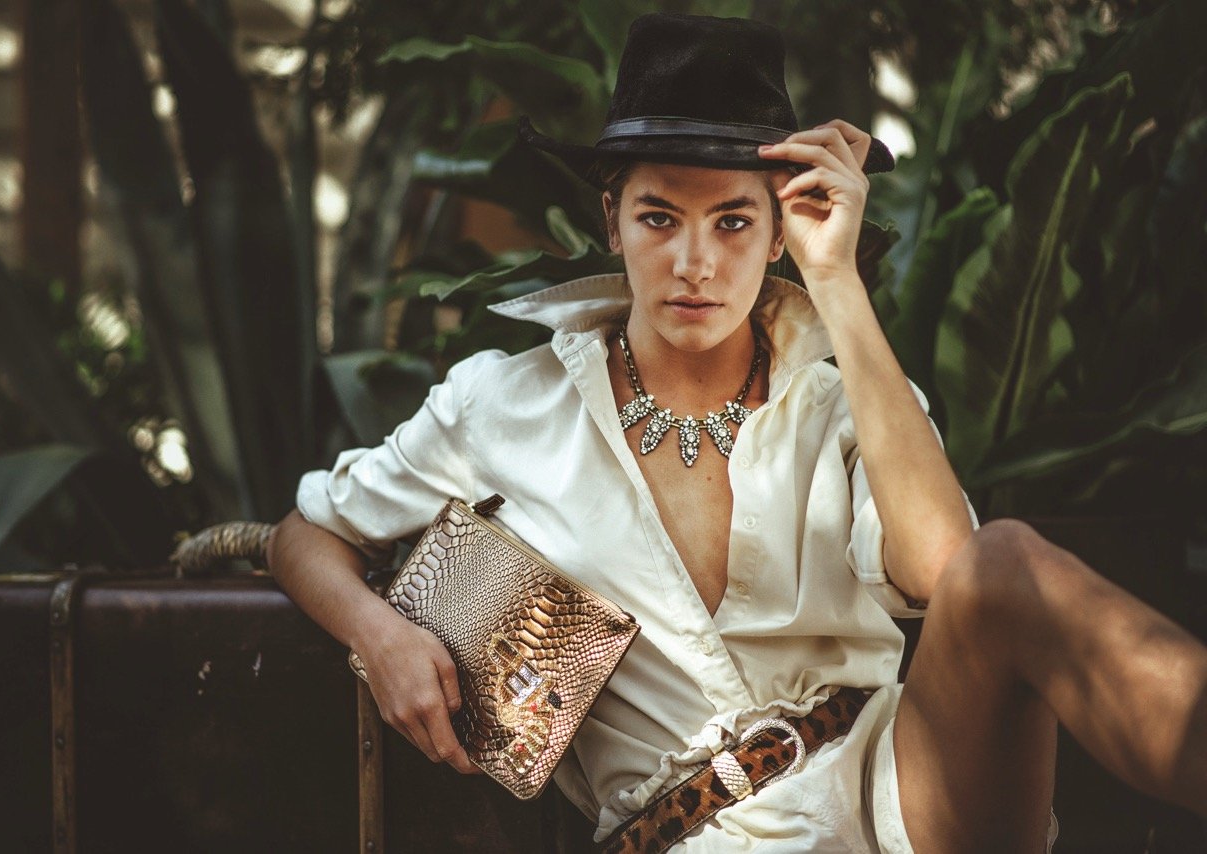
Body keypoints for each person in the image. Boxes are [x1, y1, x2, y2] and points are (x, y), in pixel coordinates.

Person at [267, 13, 1207, 853]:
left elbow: (946, 574)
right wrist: (380, 635)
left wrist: (833, 278)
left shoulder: (843, 402)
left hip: (894, 797)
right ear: (612, 219)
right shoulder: (503, 406)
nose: (694, 264)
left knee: (1005, 564)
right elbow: (304, 535)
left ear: (775, 232)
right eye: (659, 217)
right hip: (684, 830)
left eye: (732, 222)